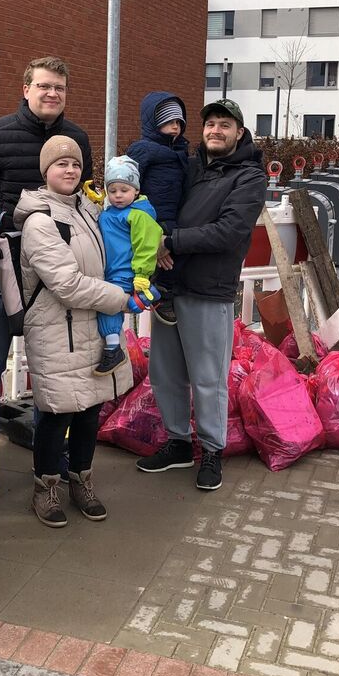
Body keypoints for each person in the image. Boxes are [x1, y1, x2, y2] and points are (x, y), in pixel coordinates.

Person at [0, 56, 93, 498]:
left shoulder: (77, 139)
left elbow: (81, 205)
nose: (51, 94)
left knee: (52, 372)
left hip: (53, 281)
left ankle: (50, 459)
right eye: (43, 86)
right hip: (2, 277)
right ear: (26, 89)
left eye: (59, 87)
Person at [135, 98, 266, 493]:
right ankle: (178, 443)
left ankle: (211, 449)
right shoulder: (189, 167)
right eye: (210, 124)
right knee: (166, 373)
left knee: (208, 378)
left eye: (225, 125)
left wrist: (169, 239)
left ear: (239, 133)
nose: (215, 131)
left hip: (209, 290)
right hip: (170, 288)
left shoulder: (248, 177)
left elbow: (229, 231)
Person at [13, 136, 133, 527]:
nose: (69, 170)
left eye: (75, 165)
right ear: (45, 171)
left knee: (90, 410)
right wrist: (118, 297)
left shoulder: (89, 209)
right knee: (54, 413)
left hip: (92, 329)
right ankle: (45, 488)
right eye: (60, 164)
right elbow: (66, 284)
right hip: (56, 331)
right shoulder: (39, 221)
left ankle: (80, 478)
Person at [94, 155, 162, 375]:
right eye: (112, 191)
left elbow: (146, 244)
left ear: (136, 190)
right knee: (117, 306)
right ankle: (149, 296)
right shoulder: (111, 212)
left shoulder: (138, 215)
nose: (118, 195)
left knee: (108, 307)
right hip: (109, 270)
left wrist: (142, 273)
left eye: (124, 190)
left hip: (124, 271)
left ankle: (113, 348)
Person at [126, 92, 189, 326]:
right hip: (151, 216)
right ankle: (156, 292)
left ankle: (164, 290)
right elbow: (128, 182)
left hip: (173, 216)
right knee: (153, 259)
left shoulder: (180, 152)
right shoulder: (144, 149)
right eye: (168, 122)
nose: (174, 127)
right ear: (154, 123)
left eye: (178, 122)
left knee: (176, 258)